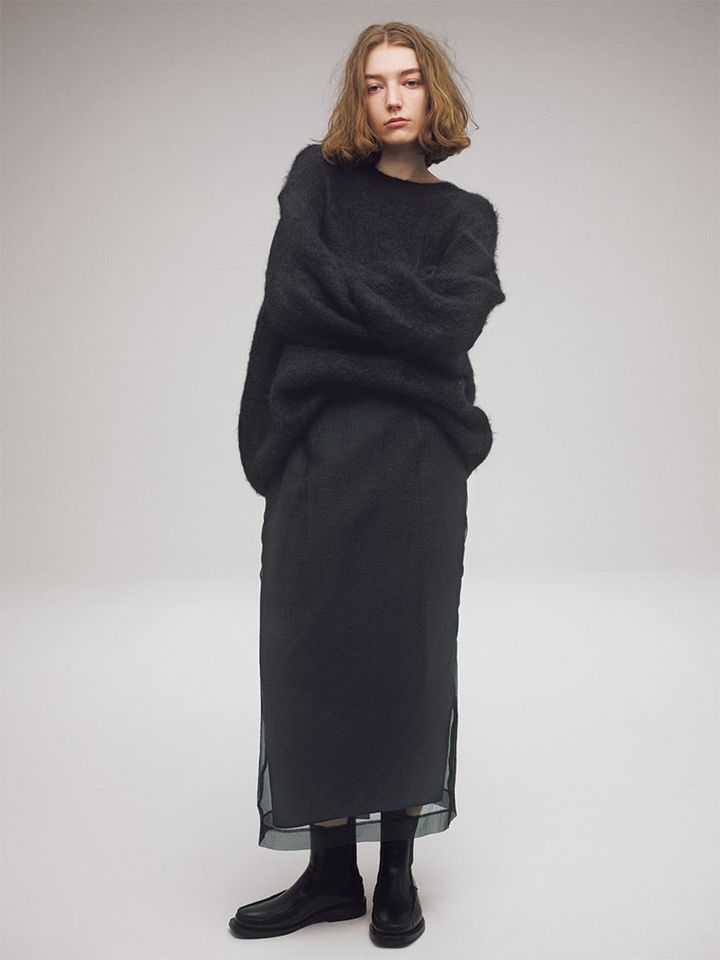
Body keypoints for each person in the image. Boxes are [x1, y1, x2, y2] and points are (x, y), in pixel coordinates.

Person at [230, 20, 506, 947]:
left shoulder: (467, 216)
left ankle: (394, 875)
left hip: (418, 459)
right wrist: (397, 318)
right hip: (317, 448)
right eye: (376, 82)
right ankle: (327, 876)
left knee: (405, 658)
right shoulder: (315, 179)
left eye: (410, 80)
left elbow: (449, 328)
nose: (393, 98)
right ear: (357, 95)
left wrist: (346, 302)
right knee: (308, 654)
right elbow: (290, 295)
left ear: (435, 94)